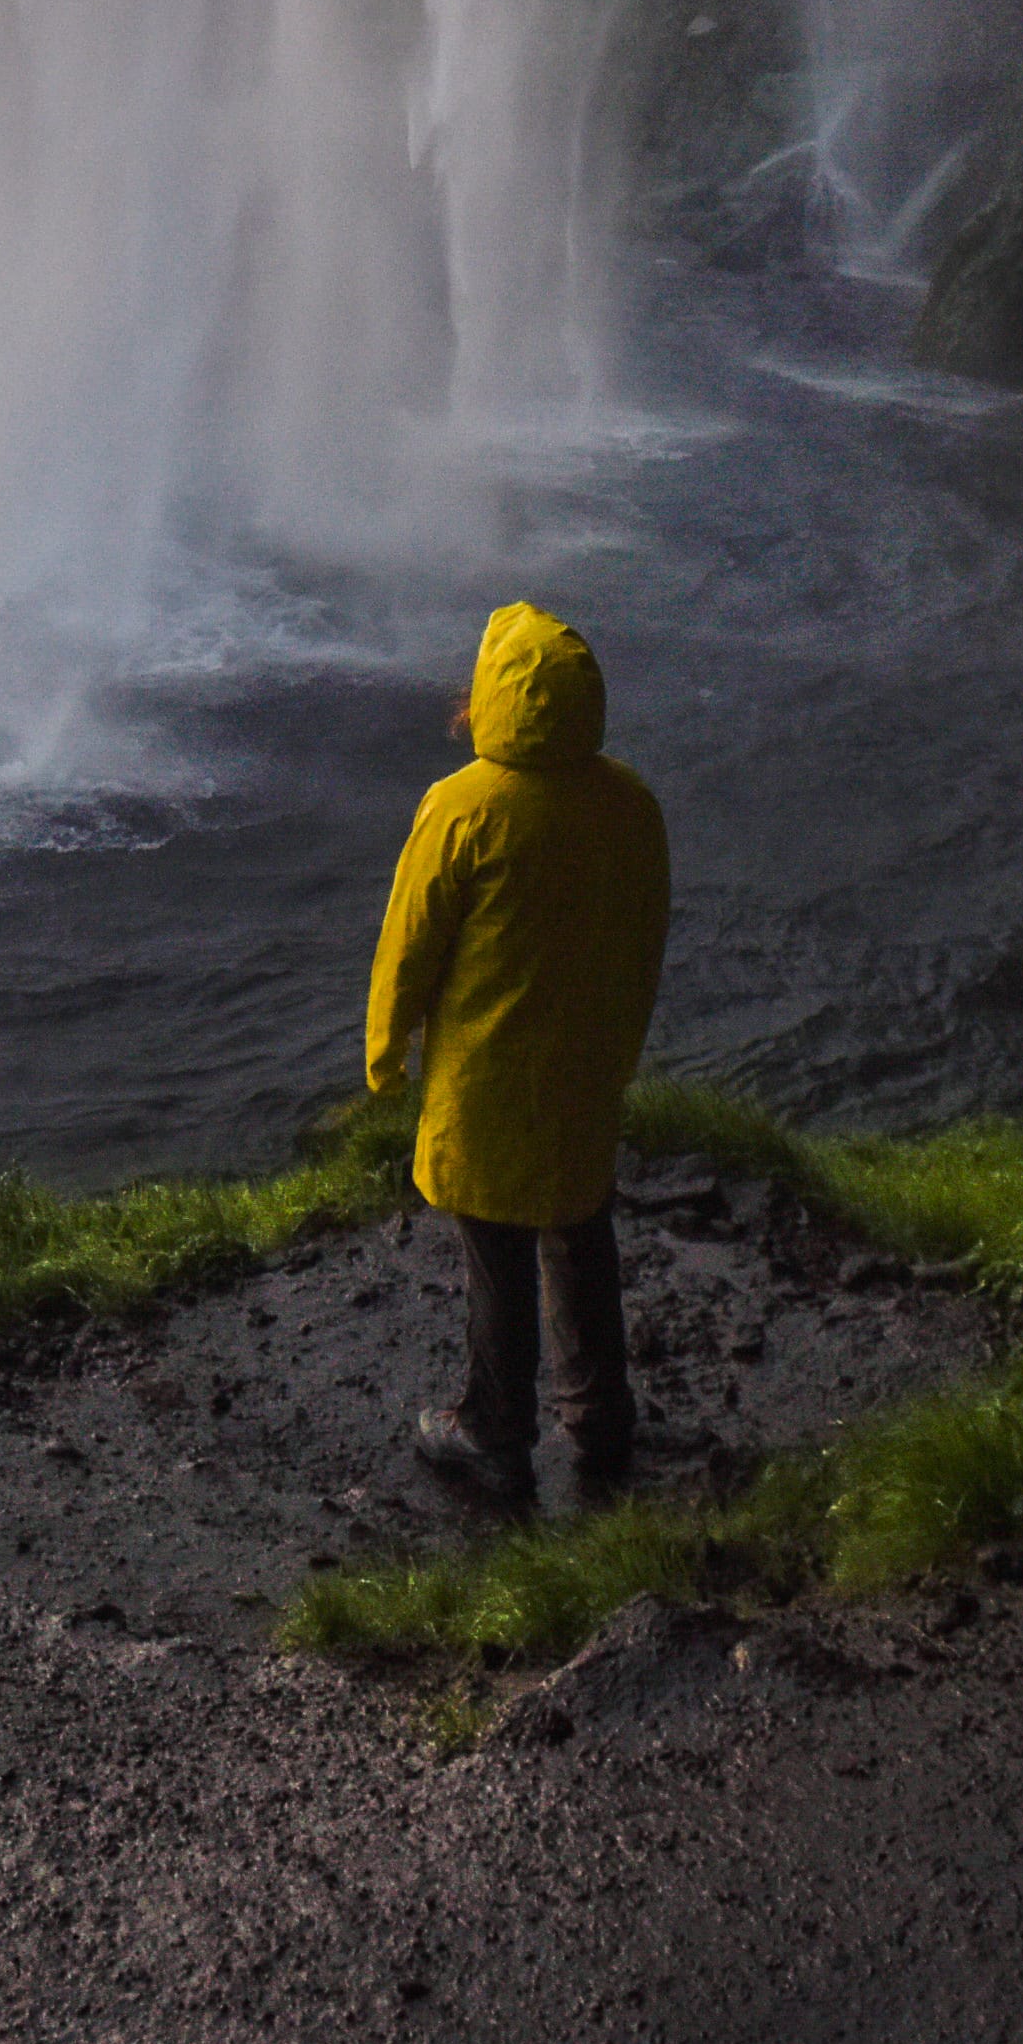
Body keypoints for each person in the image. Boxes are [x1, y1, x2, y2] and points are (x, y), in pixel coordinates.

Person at [362, 595, 670, 1514]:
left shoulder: (463, 809)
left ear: (489, 697)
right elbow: (645, 935)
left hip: (485, 1085)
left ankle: (495, 1434)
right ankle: (601, 1420)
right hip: (583, 1072)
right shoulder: (629, 803)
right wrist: (622, 1047)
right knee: (580, 1236)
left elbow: (406, 948)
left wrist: (385, 1060)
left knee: (495, 1256)